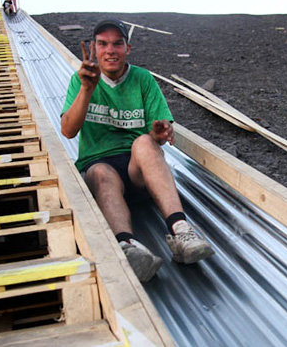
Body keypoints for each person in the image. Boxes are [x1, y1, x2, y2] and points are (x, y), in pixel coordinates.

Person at [60, 19, 214, 282]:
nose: (110, 50)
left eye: (117, 44)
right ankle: (128, 246)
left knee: (143, 142)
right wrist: (87, 89)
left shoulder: (143, 79)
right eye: (103, 44)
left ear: (127, 48)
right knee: (98, 172)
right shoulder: (82, 80)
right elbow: (68, 130)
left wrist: (159, 133)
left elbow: (159, 133)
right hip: (102, 171)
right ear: (94, 49)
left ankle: (181, 231)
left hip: (138, 172)